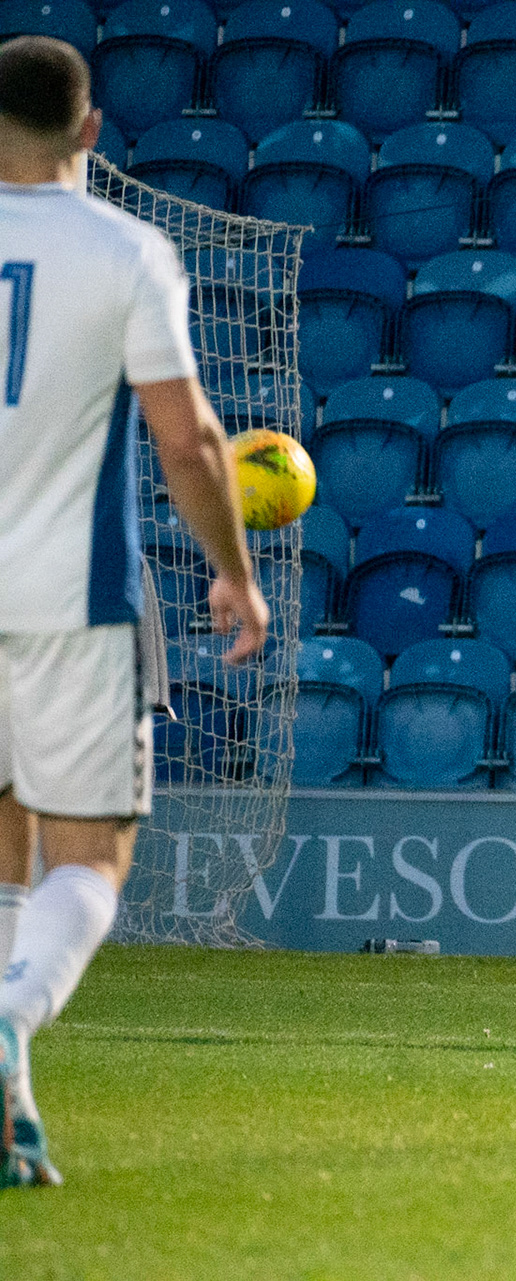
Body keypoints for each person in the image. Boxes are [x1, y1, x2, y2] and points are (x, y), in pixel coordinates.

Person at [0, 35, 268, 1186]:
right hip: (71, 598)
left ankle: (9, 1106)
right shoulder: (122, 248)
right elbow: (188, 438)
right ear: (90, 130)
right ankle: (10, 1022)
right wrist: (234, 570)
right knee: (90, 855)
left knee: (5, 841)